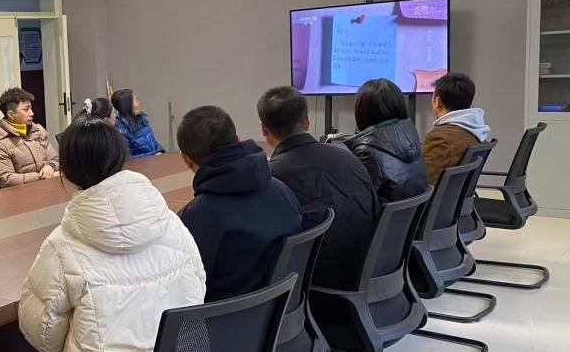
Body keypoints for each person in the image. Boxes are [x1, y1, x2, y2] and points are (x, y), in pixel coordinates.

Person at [19, 115, 205, 352]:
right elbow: (198, 288)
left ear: (67, 172)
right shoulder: (171, 222)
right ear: (122, 158)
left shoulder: (61, 244)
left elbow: (44, 336)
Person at [257, 87, 379, 290]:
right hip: (364, 272)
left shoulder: (270, 179)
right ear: (307, 122)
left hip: (310, 285)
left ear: (264, 129)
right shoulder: (351, 159)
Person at [177, 106, 302, 302]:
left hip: (223, 318)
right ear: (237, 139)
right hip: (285, 308)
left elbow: (184, 289)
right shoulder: (283, 191)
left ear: (186, 159)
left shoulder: (195, 217)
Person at [345, 79, 429, 202]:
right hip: (414, 213)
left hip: (383, 214)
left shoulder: (367, 152)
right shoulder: (411, 135)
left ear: (362, 111)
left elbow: (356, 202)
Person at [422, 72, 491, 184]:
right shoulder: (478, 131)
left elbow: (423, 183)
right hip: (456, 195)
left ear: (437, 101)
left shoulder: (440, 138)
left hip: (436, 195)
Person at [0, 88, 60, 188]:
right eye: (26, 109)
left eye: (31, 108)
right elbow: (7, 179)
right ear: (11, 114)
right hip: (20, 194)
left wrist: (50, 167)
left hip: (47, 187)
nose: (32, 113)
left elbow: (56, 159)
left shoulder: (37, 132)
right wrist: (42, 176)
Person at [112, 88, 165, 158]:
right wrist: (152, 157)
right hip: (142, 164)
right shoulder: (121, 131)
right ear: (127, 106)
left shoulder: (141, 119)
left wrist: (159, 151)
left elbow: (153, 142)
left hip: (154, 161)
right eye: (136, 100)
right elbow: (128, 159)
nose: (139, 102)